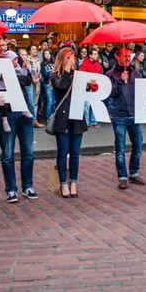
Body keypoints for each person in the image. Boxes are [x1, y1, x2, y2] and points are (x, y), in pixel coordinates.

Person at [0, 36, 38, 203]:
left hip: (22, 109)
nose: (2, 48)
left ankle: (27, 186)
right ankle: (11, 189)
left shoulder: (13, 56)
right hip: (5, 111)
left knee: (28, 152)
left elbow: (27, 79)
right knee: (7, 154)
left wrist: (8, 78)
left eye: (3, 45)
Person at [107, 48, 146, 189]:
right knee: (120, 148)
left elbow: (140, 92)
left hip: (134, 113)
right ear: (117, 56)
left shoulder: (136, 73)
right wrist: (120, 81)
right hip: (119, 115)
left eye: (129, 56)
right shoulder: (111, 74)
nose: (128, 58)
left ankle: (134, 173)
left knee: (138, 145)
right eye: (124, 56)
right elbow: (110, 94)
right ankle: (122, 176)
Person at [50, 48, 87, 198]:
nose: (71, 61)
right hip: (63, 120)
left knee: (75, 153)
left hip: (77, 119)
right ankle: (63, 184)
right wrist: (67, 70)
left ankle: (73, 183)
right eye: (68, 58)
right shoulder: (55, 76)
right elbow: (61, 86)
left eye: (73, 58)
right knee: (63, 152)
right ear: (61, 60)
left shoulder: (79, 76)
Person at [79, 48, 102, 128]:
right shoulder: (84, 64)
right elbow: (82, 76)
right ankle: (86, 122)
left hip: (95, 87)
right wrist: (88, 84)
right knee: (86, 106)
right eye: (95, 54)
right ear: (90, 55)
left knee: (94, 105)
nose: (97, 55)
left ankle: (93, 121)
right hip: (88, 87)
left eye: (97, 54)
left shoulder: (97, 64)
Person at [27, 45, 43, 128]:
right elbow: (28, 71)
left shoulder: (38, 60)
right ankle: (30, 120)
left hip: (37, 82)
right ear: (29, 51)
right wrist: (32, 79)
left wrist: (38, 78)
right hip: (30, 82)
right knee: (30, 102)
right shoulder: (27, 59)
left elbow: (39, 71)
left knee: (36, 101)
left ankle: (35, 119)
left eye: (35, 49)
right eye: (33, 49)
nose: (35, 50)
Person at [40, 49, 55, 120]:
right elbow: (44, 74)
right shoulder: (42, 64)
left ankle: (53, 116)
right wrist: (52, 73)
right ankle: (48, 117)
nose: (47, 55)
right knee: (49, 101)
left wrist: (52, 74)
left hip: (55, 84)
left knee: (54, 101)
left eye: (49, 53)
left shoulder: (54, 62)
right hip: (47, 84)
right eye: (45, 54)